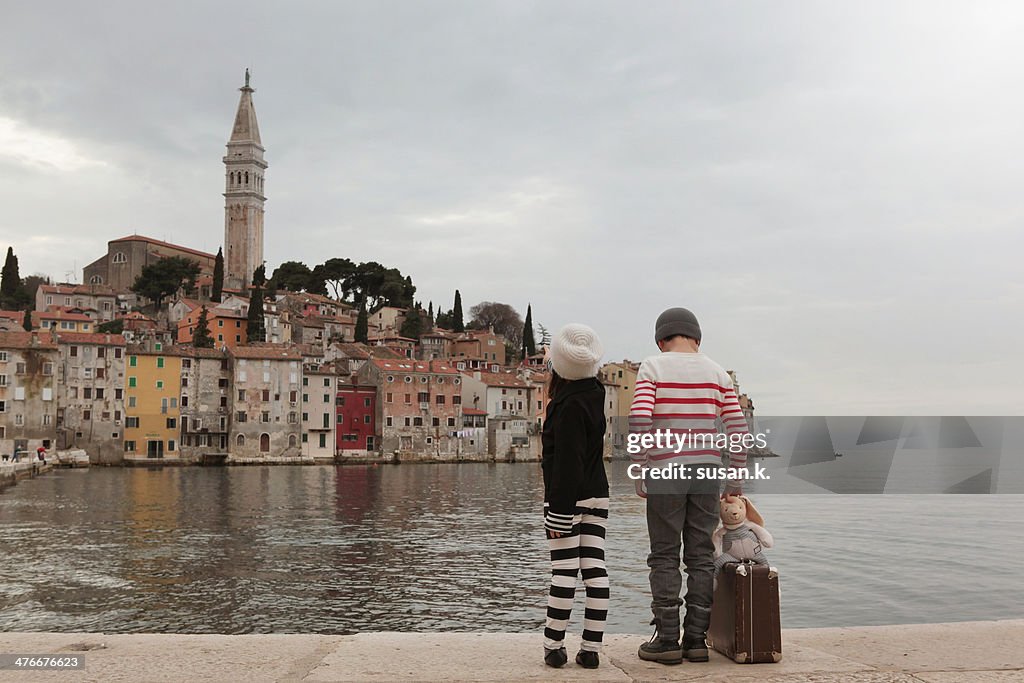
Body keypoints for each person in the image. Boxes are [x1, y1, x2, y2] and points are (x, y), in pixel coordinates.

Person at [629, 307, 749, 665]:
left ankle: (666, 641)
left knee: (664, 553)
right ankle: (696, 640)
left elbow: (639, 418)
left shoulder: (652, 366)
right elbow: (738, 430)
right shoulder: (717, 373)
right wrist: (736, 478)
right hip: (707, 471)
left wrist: (639, 467)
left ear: (661, 339)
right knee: (699, 555)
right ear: (697, 339)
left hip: (666, 469)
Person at [541, 323, 609, 670]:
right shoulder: (596, 394)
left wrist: (558, 512)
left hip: (569, 500)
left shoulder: (565, 407)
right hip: (598, 495)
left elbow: (566, 463)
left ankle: (554, 646)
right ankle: (591, 650)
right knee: (595, 569)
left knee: (565, 573)